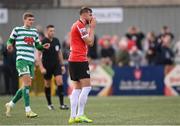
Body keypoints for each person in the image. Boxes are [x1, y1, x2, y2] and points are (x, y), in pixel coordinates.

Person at [5, 12, 50, 118]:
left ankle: (10, 104)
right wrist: (9, 46)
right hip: (22, 60)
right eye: (29, 20)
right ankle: (28, 110)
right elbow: (9, 41)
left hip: (31, 62)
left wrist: (43, 47)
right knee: (27, 83)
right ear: (24, 20)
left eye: (32, 20)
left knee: (26, 86)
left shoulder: (34, 32)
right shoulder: (17, 30)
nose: (31, 22)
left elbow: (38, 46)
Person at [68, 7, 96, 124]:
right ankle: (80, 114)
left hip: (73, 59)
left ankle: (72, 117)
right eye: (90, 15)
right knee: (87, 87)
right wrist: (92, 27)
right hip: (79, 59)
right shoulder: (79, 26)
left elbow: (89, 42)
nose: (92, 17)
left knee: (77, 89)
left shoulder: (78, 25)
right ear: (84, 15)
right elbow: (90, 42)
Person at [37, 25, 69, 110]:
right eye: (51, 31)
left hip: (56, 65)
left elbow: (59, 53)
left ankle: (62, 104)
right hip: (47, 66)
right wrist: (41, 68)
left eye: (53, 31)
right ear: (47, 31)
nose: (52, 32)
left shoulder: (56, 40)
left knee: (60, 81)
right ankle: (49, 104)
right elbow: (38, 55)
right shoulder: (43, 41)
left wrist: (62, 65)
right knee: (47, 84)